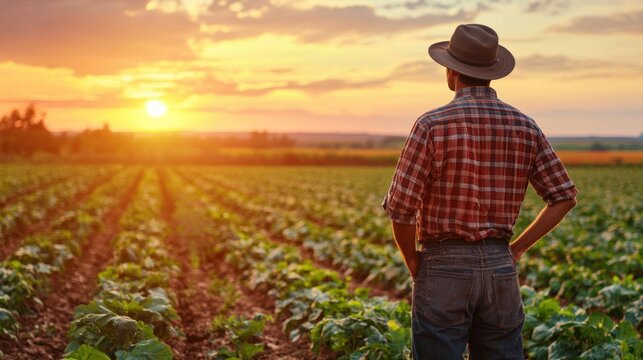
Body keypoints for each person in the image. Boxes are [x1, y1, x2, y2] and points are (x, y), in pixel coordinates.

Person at [382, 24, 578, 359]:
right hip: (501, 267)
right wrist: (515, 250)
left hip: (443, 265)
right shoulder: (524, 125)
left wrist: (413, 261)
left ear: (451, 71)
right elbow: (563, 197)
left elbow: (401, 209)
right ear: (491, 73)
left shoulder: (431, 125)